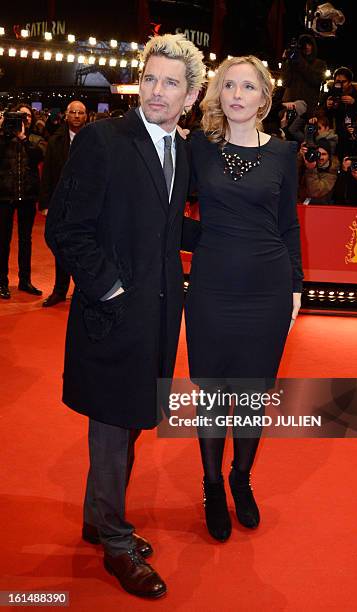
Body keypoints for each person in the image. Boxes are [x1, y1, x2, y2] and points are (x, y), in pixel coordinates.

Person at [45, 34, 204, 598]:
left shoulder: (181, 151)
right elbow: (65, 228)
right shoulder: (102, 139)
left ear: (190, 95)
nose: (157, 92)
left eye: (171, 83)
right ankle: (114, 539)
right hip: (111, 315)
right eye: (152, 79)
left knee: (130, 419)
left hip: (158, 318)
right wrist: (108, 288)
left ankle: (96, 516)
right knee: (112, 427)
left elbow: (164, 230)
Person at [185, 56, 303, 542]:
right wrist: (209, 235)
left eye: (247, 86)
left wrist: (296, 285)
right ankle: (213, 485)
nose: (237, 93)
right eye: (228, 85)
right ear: (217, 94)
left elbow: (288, 224)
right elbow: (168, 210)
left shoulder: (282, 153)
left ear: (263, 98)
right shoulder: (197, 147)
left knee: (252, 395)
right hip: (211, 288)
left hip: (268, 290)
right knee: (212, 393)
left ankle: (240, 478)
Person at [40, 101, 88, 307]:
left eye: (80, 113)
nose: (76, 116)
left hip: (87, 203)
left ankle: (83, 290)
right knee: (60, 247)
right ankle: (60, 290)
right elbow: (48, 174)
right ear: (66, 115)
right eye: (73, 112)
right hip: (61, 203)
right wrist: (45, 203)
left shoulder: (94, 140)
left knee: (84, 248)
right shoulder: (55, 141)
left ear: (86, 116)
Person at [0, 104, 45, 299]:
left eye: (27, 116)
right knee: (3, 241)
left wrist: (23, 138)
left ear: (32, 119)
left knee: (26, 241)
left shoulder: (35, 139)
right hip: (4, 195)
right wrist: (3, 130)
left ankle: (25, 281)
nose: (23, 119)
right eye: (19, 115)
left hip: (27, 195)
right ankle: (2, 282)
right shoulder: (2, 139)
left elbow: (38, 156)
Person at [282, 34, 326, 117]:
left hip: (308, 108)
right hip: (289, 104)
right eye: (304, 45)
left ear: (313, 46)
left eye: (309, 44)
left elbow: (315, 80)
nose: (307, 47)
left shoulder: (320, 64)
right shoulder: (294, 62)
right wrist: (285, 62)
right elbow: (285, 82)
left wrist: (300, 60)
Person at [298, 138, 340, 204]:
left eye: (324, 154)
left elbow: (315, 192)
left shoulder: (332, 172)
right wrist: (300, 156)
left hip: (319, 209)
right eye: (318, 154)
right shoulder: (306, 163)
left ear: (329, 156)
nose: (320, 157)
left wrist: (311, 169)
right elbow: (291, 175)